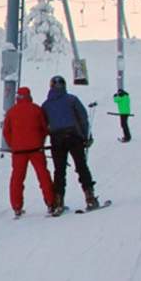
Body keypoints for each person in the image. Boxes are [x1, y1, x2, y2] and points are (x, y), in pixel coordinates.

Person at [42, 75, 99, 211]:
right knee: (81, 166)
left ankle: (58, 201)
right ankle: (89, 197)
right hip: (74, 137)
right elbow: (83, 118)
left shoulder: (45, 105)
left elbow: (43, 125)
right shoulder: (72, 100)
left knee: (59, 171)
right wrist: (86, 136)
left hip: (56, 139)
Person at [2, 87, 56, 217]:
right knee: (43, 175)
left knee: (17, 178)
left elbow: (6, 132)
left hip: (18, 152)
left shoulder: (11, 112)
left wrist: (13, 145)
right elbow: (44, 128)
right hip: (36, 149)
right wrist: (41, 141)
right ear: (29, 96)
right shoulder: (36, 109)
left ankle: (16, 207)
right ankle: (50, 203)